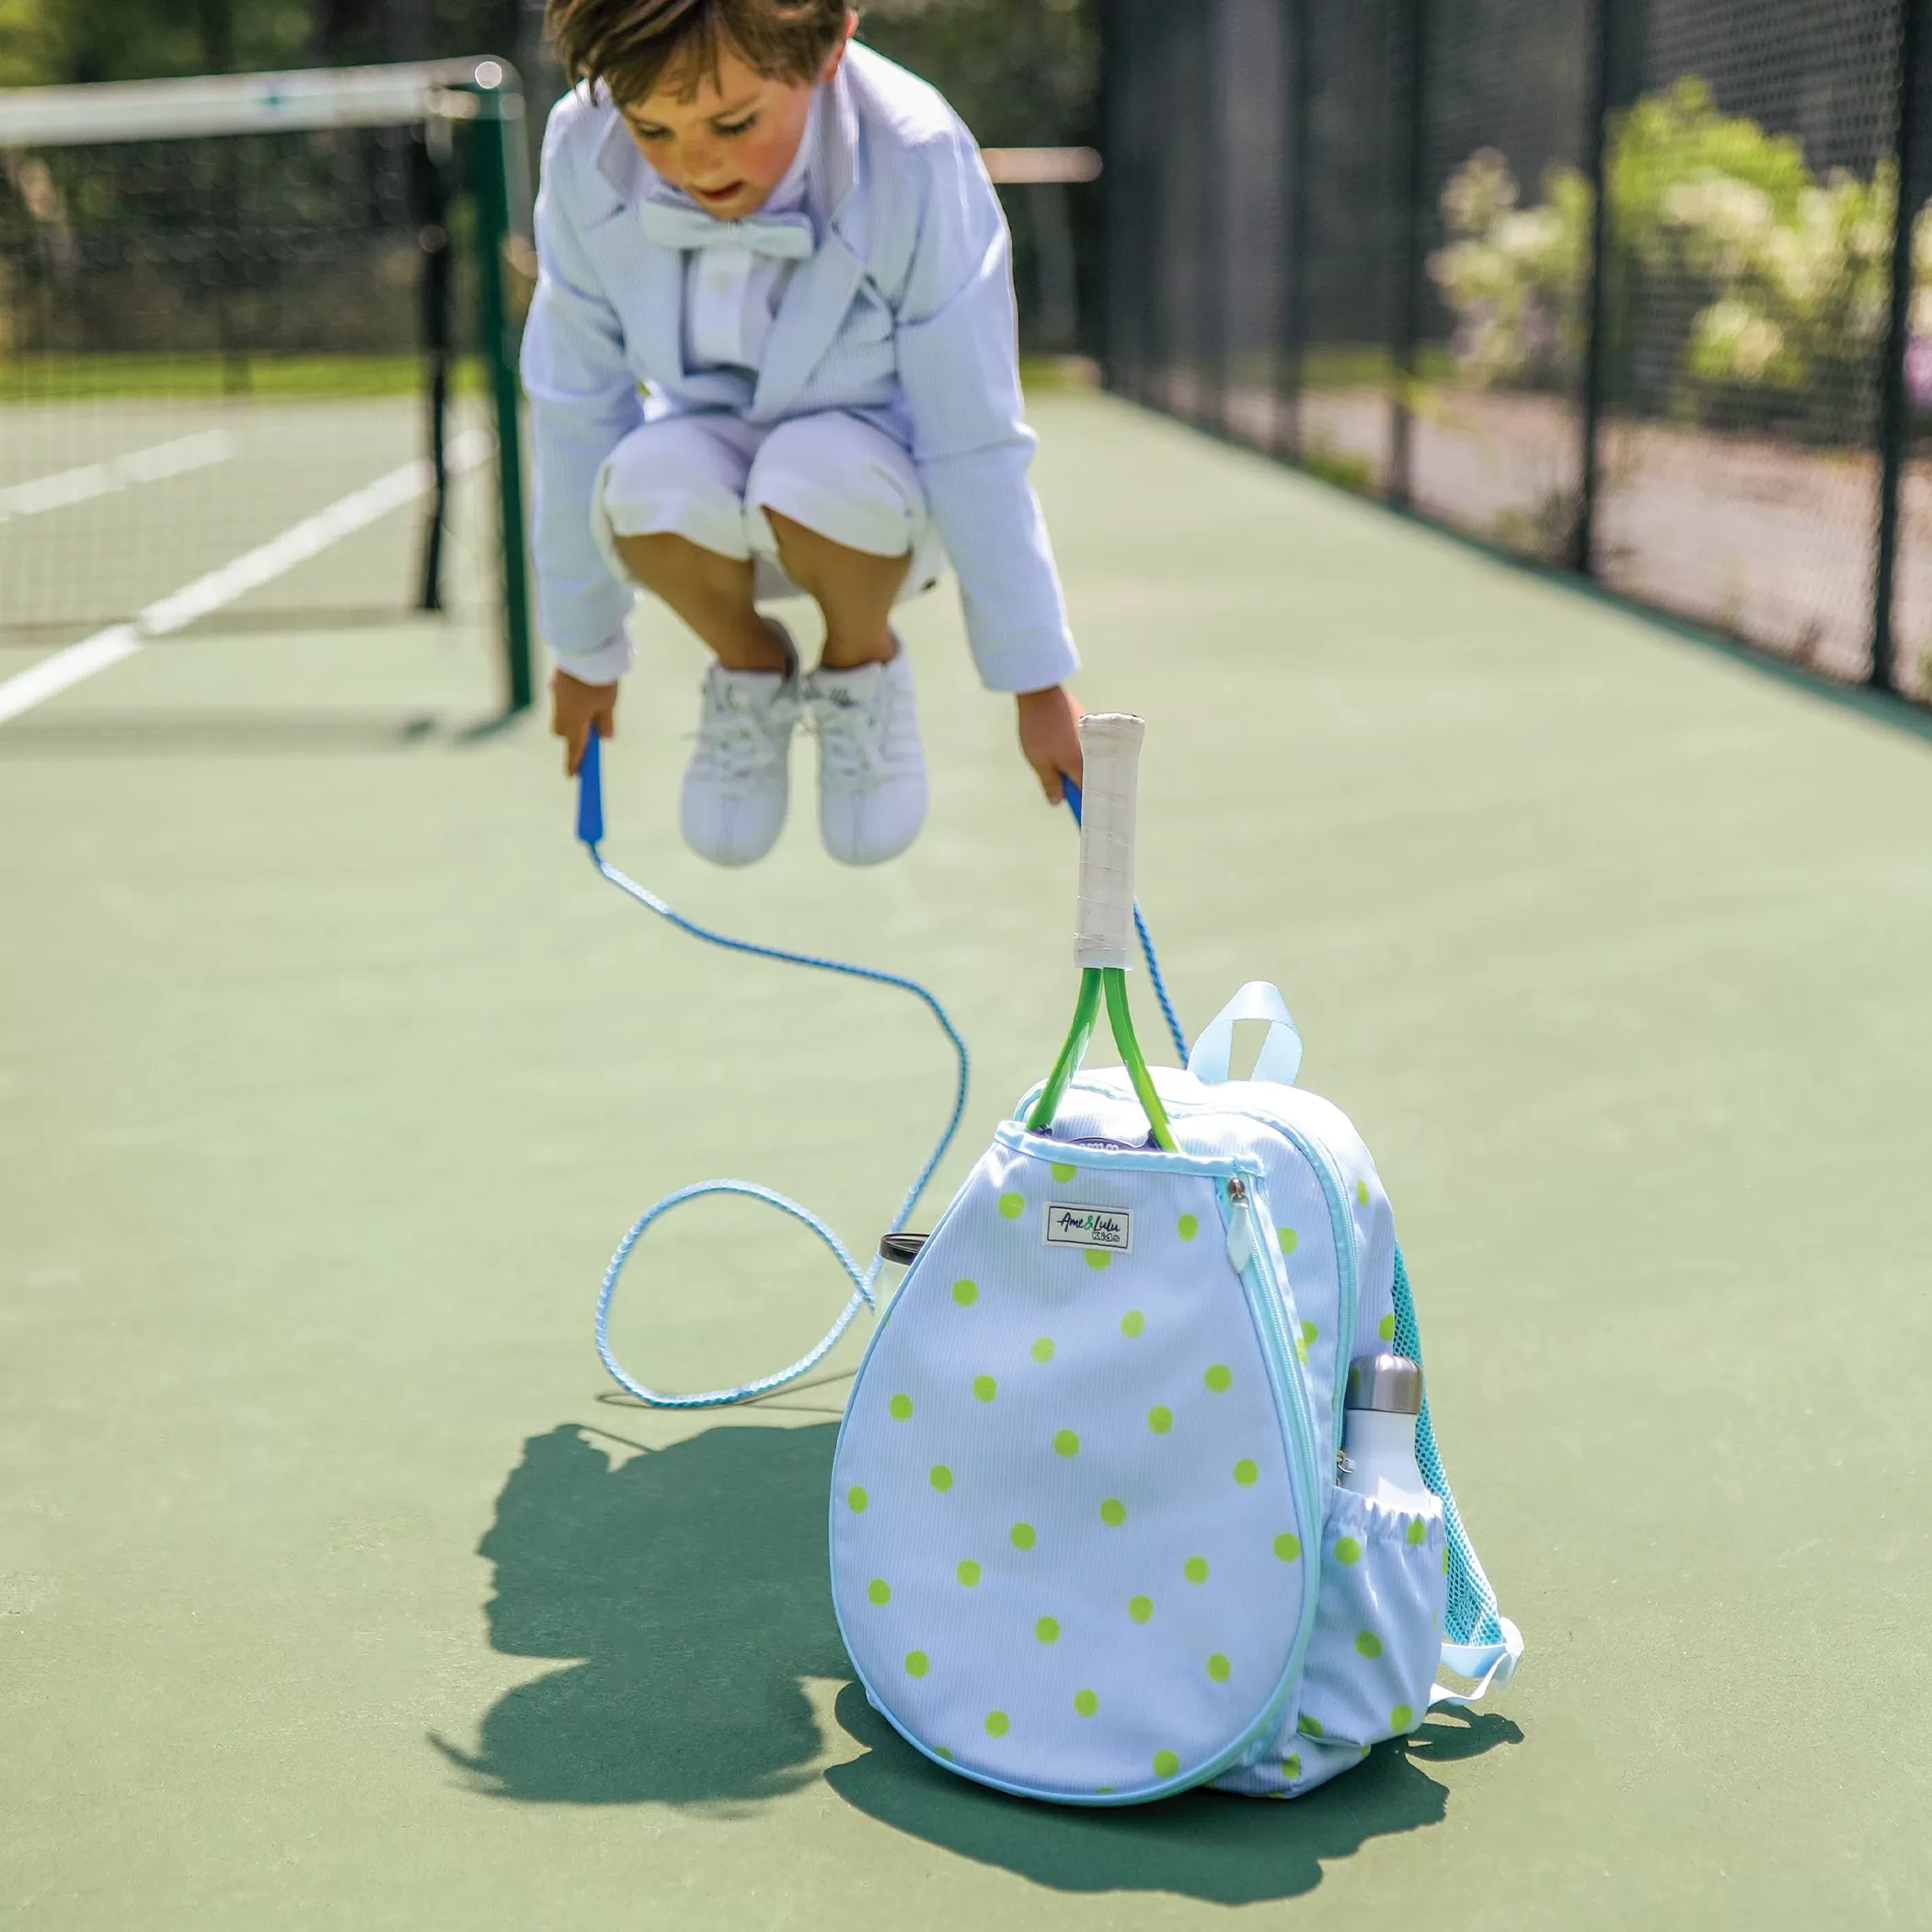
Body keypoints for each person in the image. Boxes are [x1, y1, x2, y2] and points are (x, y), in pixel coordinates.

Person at [525, 0, 1086, 867]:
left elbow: (972, 433)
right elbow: (575, 409)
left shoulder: (917, 152)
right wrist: (585, 648)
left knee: (811, 470)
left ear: (829, 48)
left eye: (733, 122)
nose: (692, 164)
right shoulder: (579, 146)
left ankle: (862, 663)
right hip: (709, 467)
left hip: (874, 489)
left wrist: (1037, 682)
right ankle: (750, 668)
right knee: (641, 479)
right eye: (652, 130)